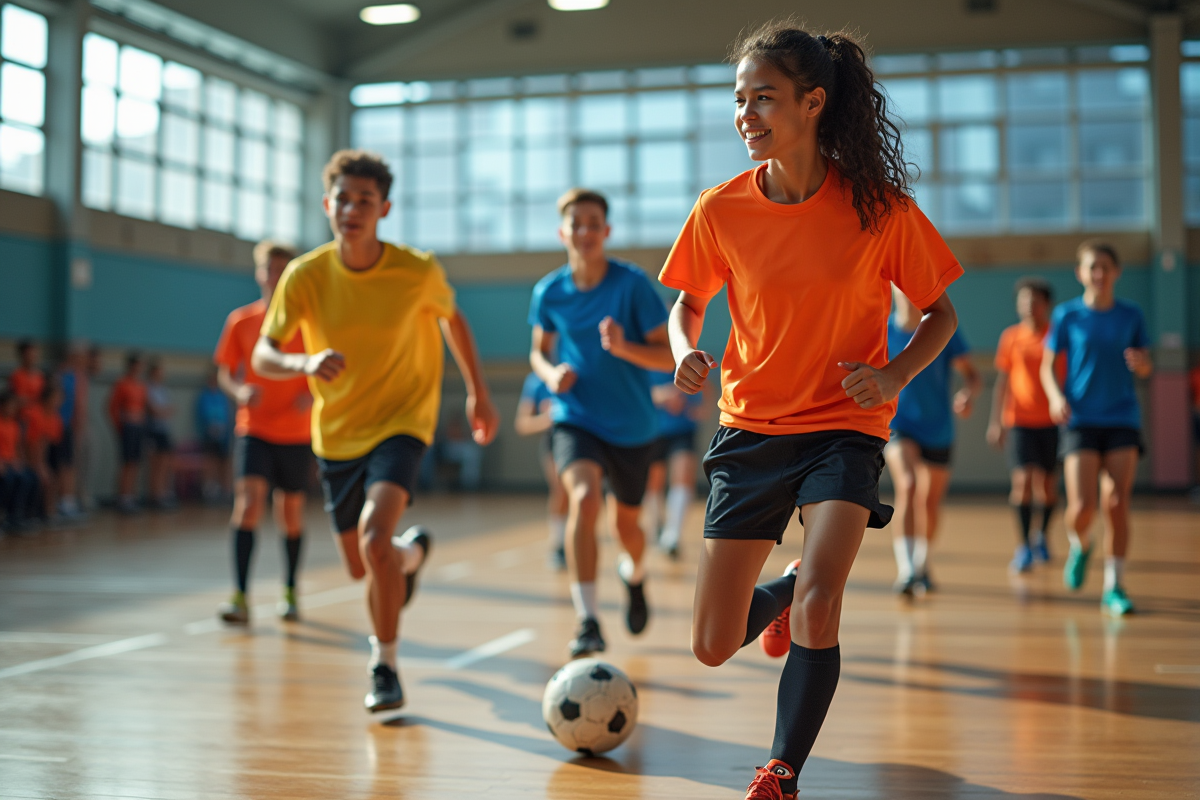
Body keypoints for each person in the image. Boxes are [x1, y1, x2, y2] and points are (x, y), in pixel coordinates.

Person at [660, 24, 962, 799]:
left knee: (825, 606)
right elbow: (685, 304)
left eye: (764, 97)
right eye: (739, 99)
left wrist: (893, 375)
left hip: (842, 429)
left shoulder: (879, 209)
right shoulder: (720, 210)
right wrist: (680, 349)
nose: (746, 113)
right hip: (749, 429)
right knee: (712, 644)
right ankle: (786, 589)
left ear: (814, 101)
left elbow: (941, 315)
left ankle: (781, 770)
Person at [252, 149, 499, 712]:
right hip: (336, 432)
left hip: (403, 422)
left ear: (384, 208)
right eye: (343, 198)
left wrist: (478, 393)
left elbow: (452, 318)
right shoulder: (305, 275)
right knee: (366, 563)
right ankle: (408, 558)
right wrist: (303, 364)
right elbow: (266, 353)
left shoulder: (416, 270)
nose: (352, 209)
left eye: (365, 200)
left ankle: (384, 665)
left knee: (371, 538)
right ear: (327, 205)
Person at [528, 187, 674, 659]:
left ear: (606, 231)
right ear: (563, 231)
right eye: (577, 223)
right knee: (584, 499)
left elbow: (668, 352)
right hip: (577, 416)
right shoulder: (549, 291)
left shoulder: (631, 285)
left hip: (633, 425)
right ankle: (587, 619)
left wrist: (624, 347)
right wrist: (552, 375)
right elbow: (538, 351)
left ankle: (634, 575)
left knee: (627, 528)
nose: (585, 231)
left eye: (594, 223)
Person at [1041, 241, 1152, 617]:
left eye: (1106, 267)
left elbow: (1147, 364)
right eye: (1092, 267)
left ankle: (1114, 586)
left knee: (1117, 503)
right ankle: (1081, 544)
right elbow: (1046, 367)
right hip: (1081, 420)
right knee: (1082, 507)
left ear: (1116, 272)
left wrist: (1142, 365)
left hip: (1122, 417)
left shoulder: (1131, 315)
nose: (1099, 274)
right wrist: (1056, 397)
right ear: (1081, 273)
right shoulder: (1067, 315)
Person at [214, 240, 312, 625]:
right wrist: (239, 390)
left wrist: (310, 394)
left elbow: (319, 368)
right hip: (254, 427)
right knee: (248, 503)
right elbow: (225, 370)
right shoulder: (241, 321)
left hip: (295, 431)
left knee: (290, 512)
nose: (276, 276)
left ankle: (289, 590)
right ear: (260, 273)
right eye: (270, 269)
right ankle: (240, 595)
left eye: (284, 269)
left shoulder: (306, 323)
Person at [885, 285, 980, 596]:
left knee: (930, 501)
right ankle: (906, 570)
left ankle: (923, 565)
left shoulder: (941, 328)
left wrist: (967, 394)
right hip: (898, 425)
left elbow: (971, 374)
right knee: (909, 485)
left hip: (938, 427)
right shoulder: (881, 331)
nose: (908, 294)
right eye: (901, 289)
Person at [986, 278, 1061, 573]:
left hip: (1053, 422)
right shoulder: (1011, 337)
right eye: (1024, 301)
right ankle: (1024, 546)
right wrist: (996, 422)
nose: (1029, 306)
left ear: (1046, 305)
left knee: (1047, 488)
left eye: (1035, 301)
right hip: (1018, 421)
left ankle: (1042, 536)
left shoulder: (1056, 336)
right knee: (1022, 484)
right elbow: (1003, 382)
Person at [643, 370, 710, 560]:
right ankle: (657, 526)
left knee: (684, 473)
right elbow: (634, 391)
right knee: (653, 482)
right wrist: (662, 396)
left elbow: (706, 385)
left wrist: (702, 407)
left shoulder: (687, 355)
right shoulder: (645, 352)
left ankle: (673, 535)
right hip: (653, 428)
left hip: (682, 428)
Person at [514, 371, 568, 570]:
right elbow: (522, 423)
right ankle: (558, 545)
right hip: (554, 441)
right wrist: (548, 417)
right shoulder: (536, 381)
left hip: (585, 436)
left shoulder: (577, 368)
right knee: (561, 491)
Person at [108, 352, 147, 513]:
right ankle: (122, 496)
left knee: (135, 462)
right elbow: (113, 407)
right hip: (128, 428)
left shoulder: (141, 386)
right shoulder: (122, 384)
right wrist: (120, 426)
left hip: (138, 428)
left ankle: (130, 495)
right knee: (126, 462)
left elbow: (143, 407)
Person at [24, 380, 66, 524]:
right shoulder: (35, 414)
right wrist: (37, 465)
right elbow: (31, 443)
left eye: (60, 398)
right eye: (56, 397)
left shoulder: (56, 418)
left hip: (46, 456)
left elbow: (52, 444)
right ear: (47, 397)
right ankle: (34, 513)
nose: (58, 401)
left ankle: (49, 512)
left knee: (55, 476)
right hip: (30, 456)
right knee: (42, 477)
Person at [52, 345, 87, 518]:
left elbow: (79, 406)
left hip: (67, 426)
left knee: (69, 463)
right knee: (62, 464)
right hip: (59, 425)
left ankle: (68, 500)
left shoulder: (75, 376)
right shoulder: (63, 376)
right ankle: (62, 501)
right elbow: (78, 405)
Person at [0, 390, 36, 533]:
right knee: (8, 480)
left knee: (28, 478)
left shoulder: (14, 425)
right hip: (2, 464)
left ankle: (15, 517)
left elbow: (16, 448)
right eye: (9, 406)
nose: (12, 409)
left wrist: (18, 462)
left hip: (10, 462)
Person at [195, 367, 233, 504]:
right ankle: (209, 491)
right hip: (209, 435)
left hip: (224, 436)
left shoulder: (222, 396)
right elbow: (202, 416)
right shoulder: (204, 396)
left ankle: (225, 491)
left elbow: (227, 415)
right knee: (210, 462)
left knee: (224, 462)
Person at [144, 359, 176, 508]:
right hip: (153, 431)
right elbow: (154, 410)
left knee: (165, 464)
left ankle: (162, 494)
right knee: (155, 465)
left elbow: (168, 409)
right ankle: (154, 496)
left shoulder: (162, 389)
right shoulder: (148, 389)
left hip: (164, 430)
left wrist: (163, 411)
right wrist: (162, 411)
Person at [8, 339, 44, 412]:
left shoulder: (40, 376)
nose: (33, 357)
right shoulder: (16, 375)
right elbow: (18, 399)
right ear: (22, 356)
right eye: (29, 354)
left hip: (37, 417)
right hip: (22, 416)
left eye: (34, 354)